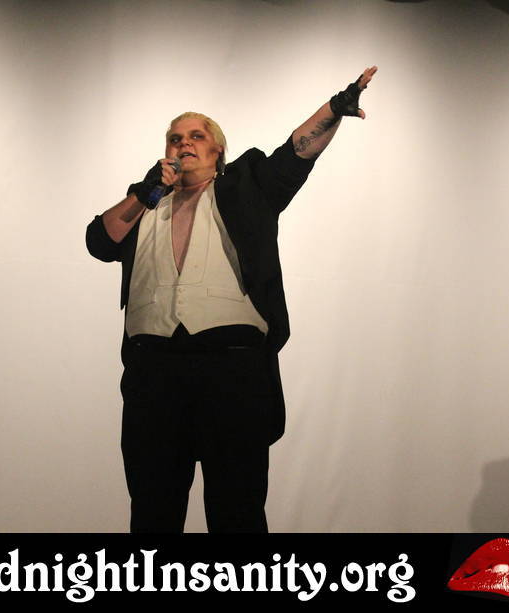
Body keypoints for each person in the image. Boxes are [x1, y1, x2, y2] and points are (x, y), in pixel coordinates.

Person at [86, 66, 378, 533]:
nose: (184, 144)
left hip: (232, 370)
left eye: (196, 136)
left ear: (217, 150)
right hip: (152, 373)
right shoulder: (145, 203)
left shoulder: (245, 187)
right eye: (175, 138)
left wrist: (335, 108)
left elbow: (295, 153)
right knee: (152, 513)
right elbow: (100, 242)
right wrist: (144, 192)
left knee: (236, 512)